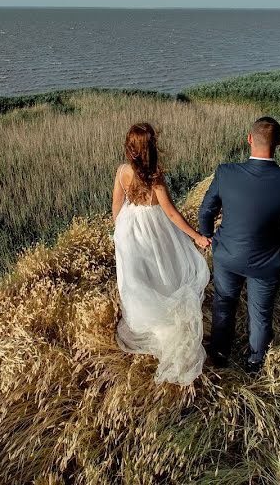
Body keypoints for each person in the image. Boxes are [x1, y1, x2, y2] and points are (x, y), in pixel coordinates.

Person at [198, 116, 280, 374]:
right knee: (260, 314)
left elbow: (206, 211)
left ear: (249, 139)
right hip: (268, 260)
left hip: (227, 254)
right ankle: (254, 363)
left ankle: (220, 355)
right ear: (279, 142)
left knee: (224, 304)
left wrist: (209, 239)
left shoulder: (226, 173)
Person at [111, 122, 212, 385]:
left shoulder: (122, 171)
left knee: (139, 280)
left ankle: (146, 324)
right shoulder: (155, 177)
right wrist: (197, 237)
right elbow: (170, 213)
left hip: (130, 230)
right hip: (154, 230)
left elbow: (116, 207)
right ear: (151, 147)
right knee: (164, 274)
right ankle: (166, 329)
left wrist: (121, 233)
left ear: (130, 148)